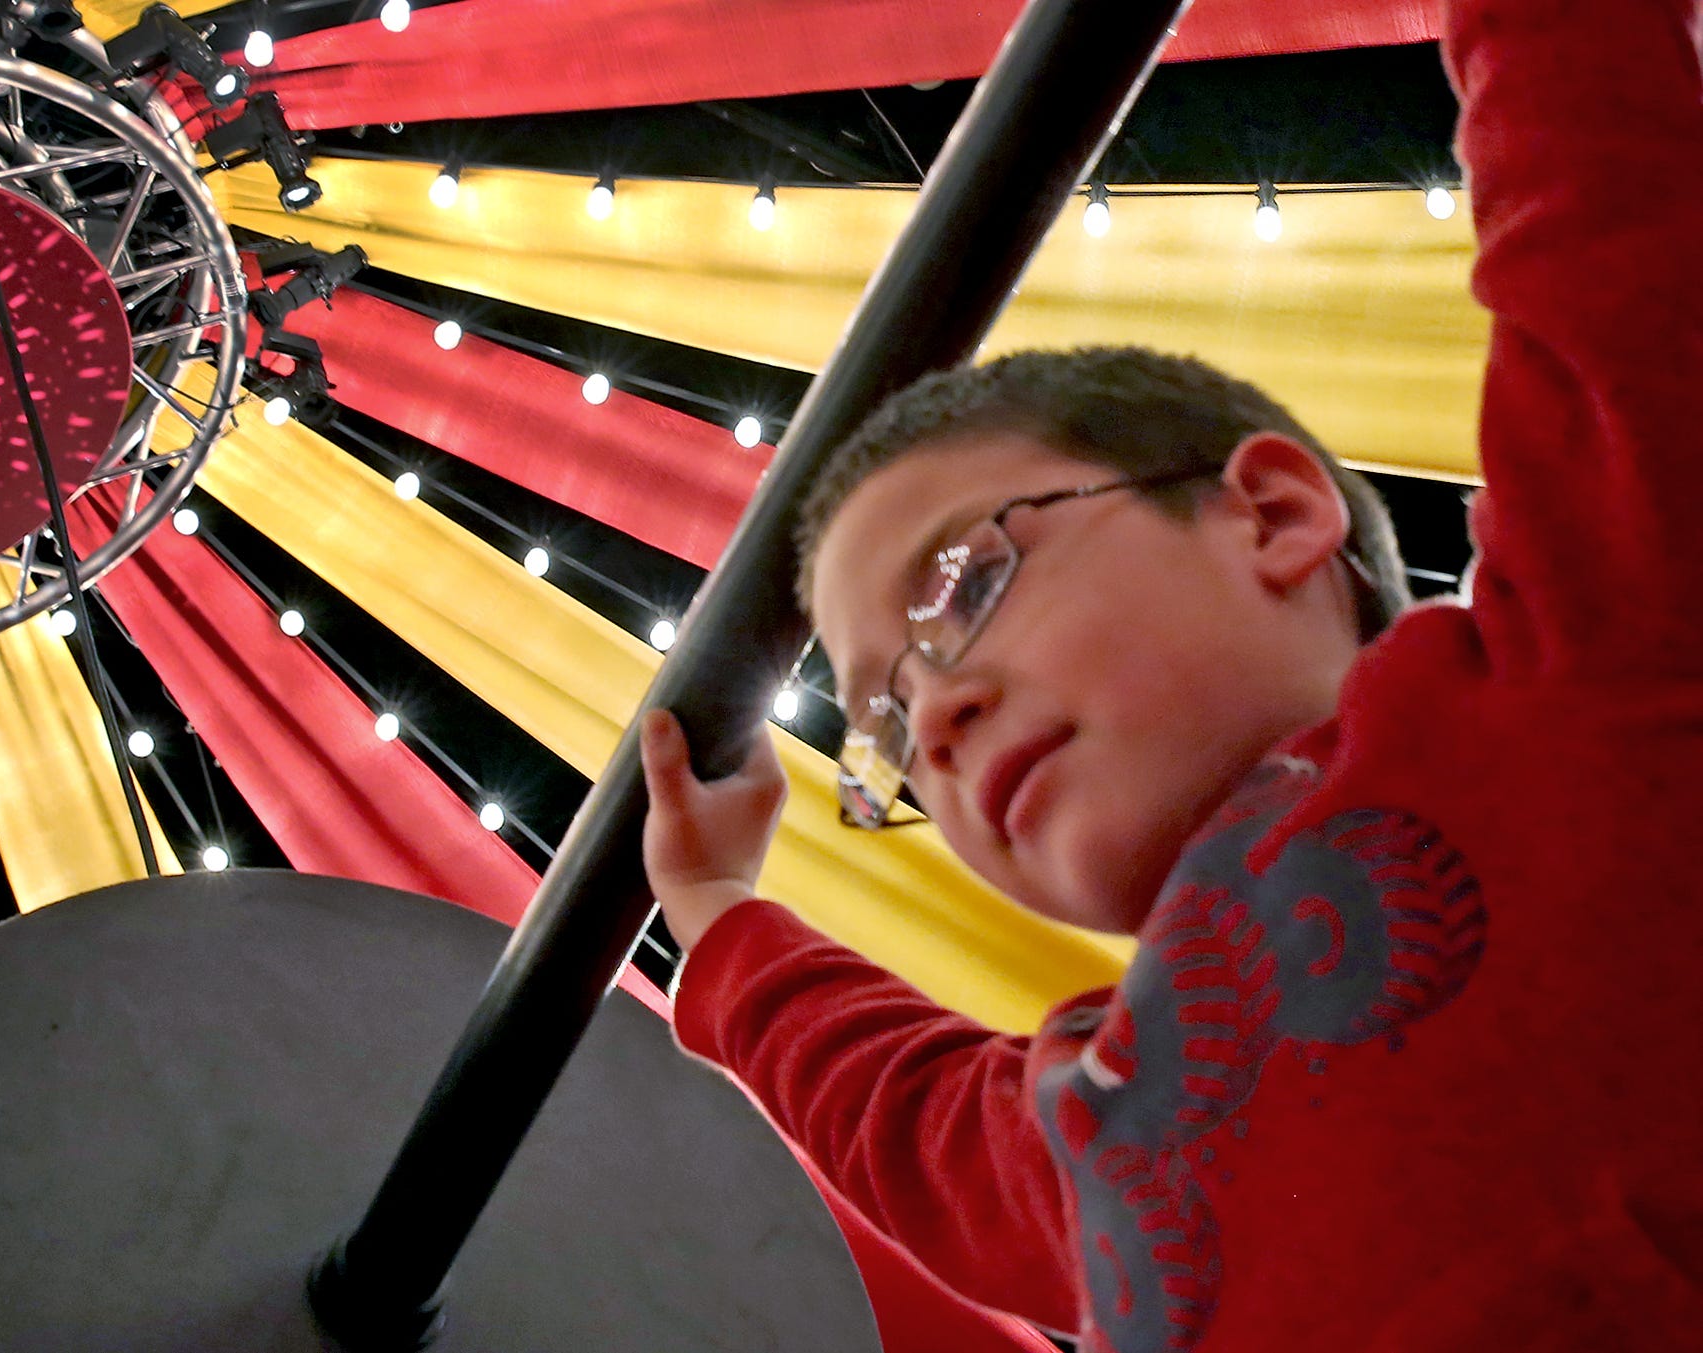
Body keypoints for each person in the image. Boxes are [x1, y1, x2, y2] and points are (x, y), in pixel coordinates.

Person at [637, 1, 1703, 1349]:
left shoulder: (1570, 670)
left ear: (1271, 515)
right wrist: (714, 908)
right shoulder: (1101, 1118)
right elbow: (900, 1112)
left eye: (965, 583)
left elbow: (1606, 246)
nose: (937, 720)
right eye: (885, 728)